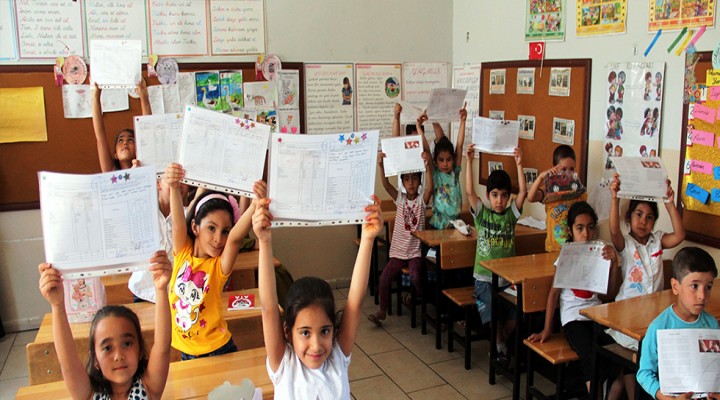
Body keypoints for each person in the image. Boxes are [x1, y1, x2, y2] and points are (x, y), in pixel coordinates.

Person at [253, 194, 382, 399]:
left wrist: (367, 239)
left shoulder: (337, 358)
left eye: (324, 331)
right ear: (287, 332)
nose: (316, 345)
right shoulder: (284, 364)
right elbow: (269, 308)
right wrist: (264, 240)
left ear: (334, 328)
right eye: (305, 333)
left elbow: (355, 303)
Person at [37, 251, 172, 400]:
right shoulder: (88, 394)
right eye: (107, 348)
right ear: (96, 360)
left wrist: (160, 289)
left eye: (127, 344)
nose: (118, 356)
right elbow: (68, 363)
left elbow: (162, 346)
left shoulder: (149, 388)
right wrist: (57, 305)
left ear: (140, 350)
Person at [528, 202, 628, 399]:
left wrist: (615, 263)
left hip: (597, 315)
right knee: (591, 359)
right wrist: (548, 328)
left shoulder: (600, 254)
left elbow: (609, 295)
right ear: (570, 231)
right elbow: (554, 294)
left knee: (618, 358)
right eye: (579, 228)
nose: (586, 234)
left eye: (590, 228)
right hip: (574, 318)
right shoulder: (566, 257)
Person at [164, 162, 262, 360]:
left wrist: (254, 205)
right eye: (211, 228)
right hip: (187, 352)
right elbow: (177, 224)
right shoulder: (182, 252)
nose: (219, 239)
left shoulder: (218, 267)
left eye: (224, 231)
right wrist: (174, 186)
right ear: (195, 227)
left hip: (218, 350)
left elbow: (235, 239)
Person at [607, 173, 685, 351]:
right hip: (627, 311)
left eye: (649, 218)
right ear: (628, 218)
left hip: (653, 312)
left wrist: (670, 204)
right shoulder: (625, 244)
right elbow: (613, 230)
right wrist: (615, 198)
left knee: (654, 348)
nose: (643, 221)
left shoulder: (657, 240)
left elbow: (680, 235)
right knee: (635, 350)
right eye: (639, 214)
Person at [466, 143, 526, 363]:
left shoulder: (510, 216)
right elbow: (470, 192)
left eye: (503, 195)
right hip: (483, 278)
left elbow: (524, 194)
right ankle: (500, 347)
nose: (499, 200)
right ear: (488, 196)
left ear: (509, 196)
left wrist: (520, 164)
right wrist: (470, 161)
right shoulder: (482, 216)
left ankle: (499, 343)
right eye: (494, 195)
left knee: (516, 314)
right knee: (493, 313)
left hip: (507, 280)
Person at [637, 247, 719, 400]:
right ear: (676, 287)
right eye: (694, 286)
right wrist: (661, 395)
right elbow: (644, 373)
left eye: (708, 287)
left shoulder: (712, 325)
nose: (702, 296)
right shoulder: (660, 327)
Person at [367, 150, 434, 326]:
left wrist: (428, 166)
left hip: (414, 253)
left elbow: (430, 188)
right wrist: (381, 166)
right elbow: (386, 184)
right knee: (385, 278)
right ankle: (382, 311)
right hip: (398, 252)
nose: (411, 183)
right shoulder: (400, 199)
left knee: (416, 276)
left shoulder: (421, 201)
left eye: (414, 178)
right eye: (407, 179)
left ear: (419, 180)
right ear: (403, 182)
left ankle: (414, 298)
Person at [527, 145, 588, 252]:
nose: (568, 174)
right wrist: (541, 177)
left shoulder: (577, 191)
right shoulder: (549, 189)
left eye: (572, 169)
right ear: (553, 168)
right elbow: (531, 197)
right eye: (563, 169)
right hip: (553, 248)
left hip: (573, 248)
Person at [91, 80, 150, 172]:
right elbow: (100, 137)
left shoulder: (145, 168)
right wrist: (95, 96)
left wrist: (143, 96)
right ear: (115, 154)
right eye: (120, 140)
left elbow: (147, 127)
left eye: (131, 140)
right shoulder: (110, 171)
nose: (125, 143)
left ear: (139, 150)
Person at [428, 103, 467, 229]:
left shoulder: (454, 172)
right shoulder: (436, 174)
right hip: (439, 223)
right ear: (435, 161)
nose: (445, 164)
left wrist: (463, 121)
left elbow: (459, 146)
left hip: (455, 223)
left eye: (449, 160)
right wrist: (423, 124)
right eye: (441, 160)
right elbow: (427, 151)